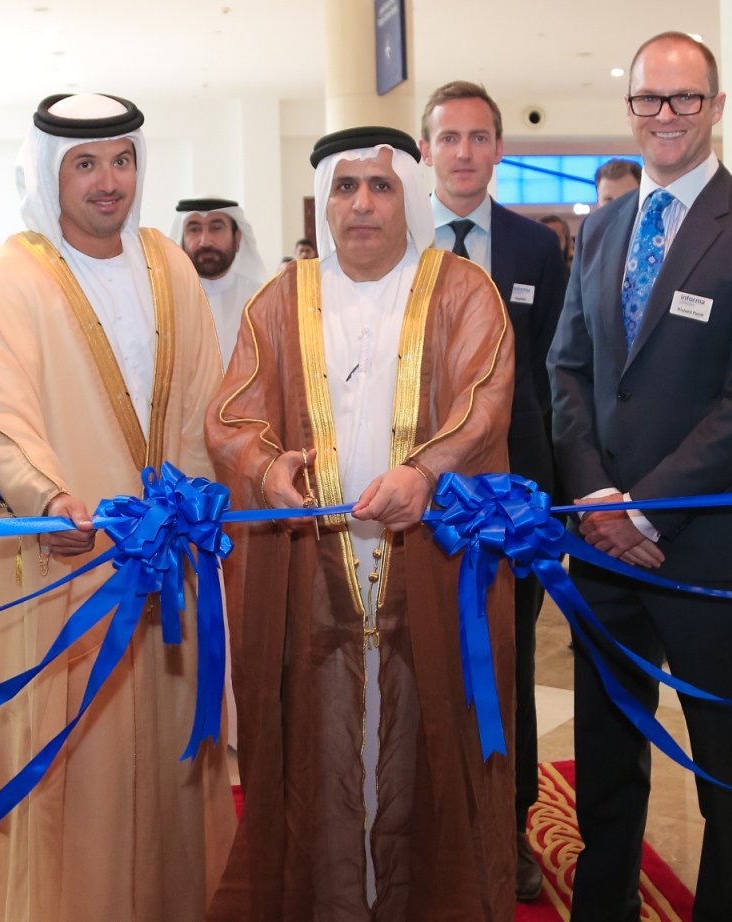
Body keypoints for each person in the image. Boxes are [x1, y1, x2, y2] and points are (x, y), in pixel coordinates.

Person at [206, 126, 517, 921]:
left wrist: (425, 472)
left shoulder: (461, 290)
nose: (362, 204)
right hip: (314, 583)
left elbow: (485, 400)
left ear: (408, 194)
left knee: (431, 741)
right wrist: (267, 465)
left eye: (380, 186)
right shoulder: (279, 302)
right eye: (344, 188)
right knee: (321, 747)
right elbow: (230, 416)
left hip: (436, 576)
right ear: (323, 204)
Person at [0, 92, 235, 922]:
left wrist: (207, 489)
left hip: (170, 564)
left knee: (173, 751)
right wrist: (53, 499)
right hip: (65, 567)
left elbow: (201, 404)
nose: (109, 182)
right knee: (76, 761)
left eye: (122, 160)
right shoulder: (7, 280)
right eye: (85, 164)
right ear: (51, 173)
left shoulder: (166, 262)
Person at [548, 32, 732, 922]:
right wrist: (594, 500)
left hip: (710, 549)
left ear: (717, 108)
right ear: (629, 110)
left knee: (728, 774)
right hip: (603, 549)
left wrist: (646, 512)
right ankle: (603, 906)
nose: (666, 117)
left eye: (685, 99)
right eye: (649, 100)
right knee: (608, 757)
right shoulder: (603, 230)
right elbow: (569, 371)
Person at [418, 79, 568, 903]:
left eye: (480, 138)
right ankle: (427, 823)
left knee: (505, 670)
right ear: (425, 150)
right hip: (414, 506)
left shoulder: (535, 250)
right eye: (450, 138)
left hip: (512, 512)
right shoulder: (394, 244)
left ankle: (508, 829)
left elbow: (551, 381)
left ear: (498, 150)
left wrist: (552, 500)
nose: (465, 153)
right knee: (420, 667)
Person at [171, 197, 268, 366]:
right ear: (181, 242)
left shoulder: (262, 301)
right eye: (194, 230)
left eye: (216, 228)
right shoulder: (165, 304)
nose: (205, 241)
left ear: (237, 239)